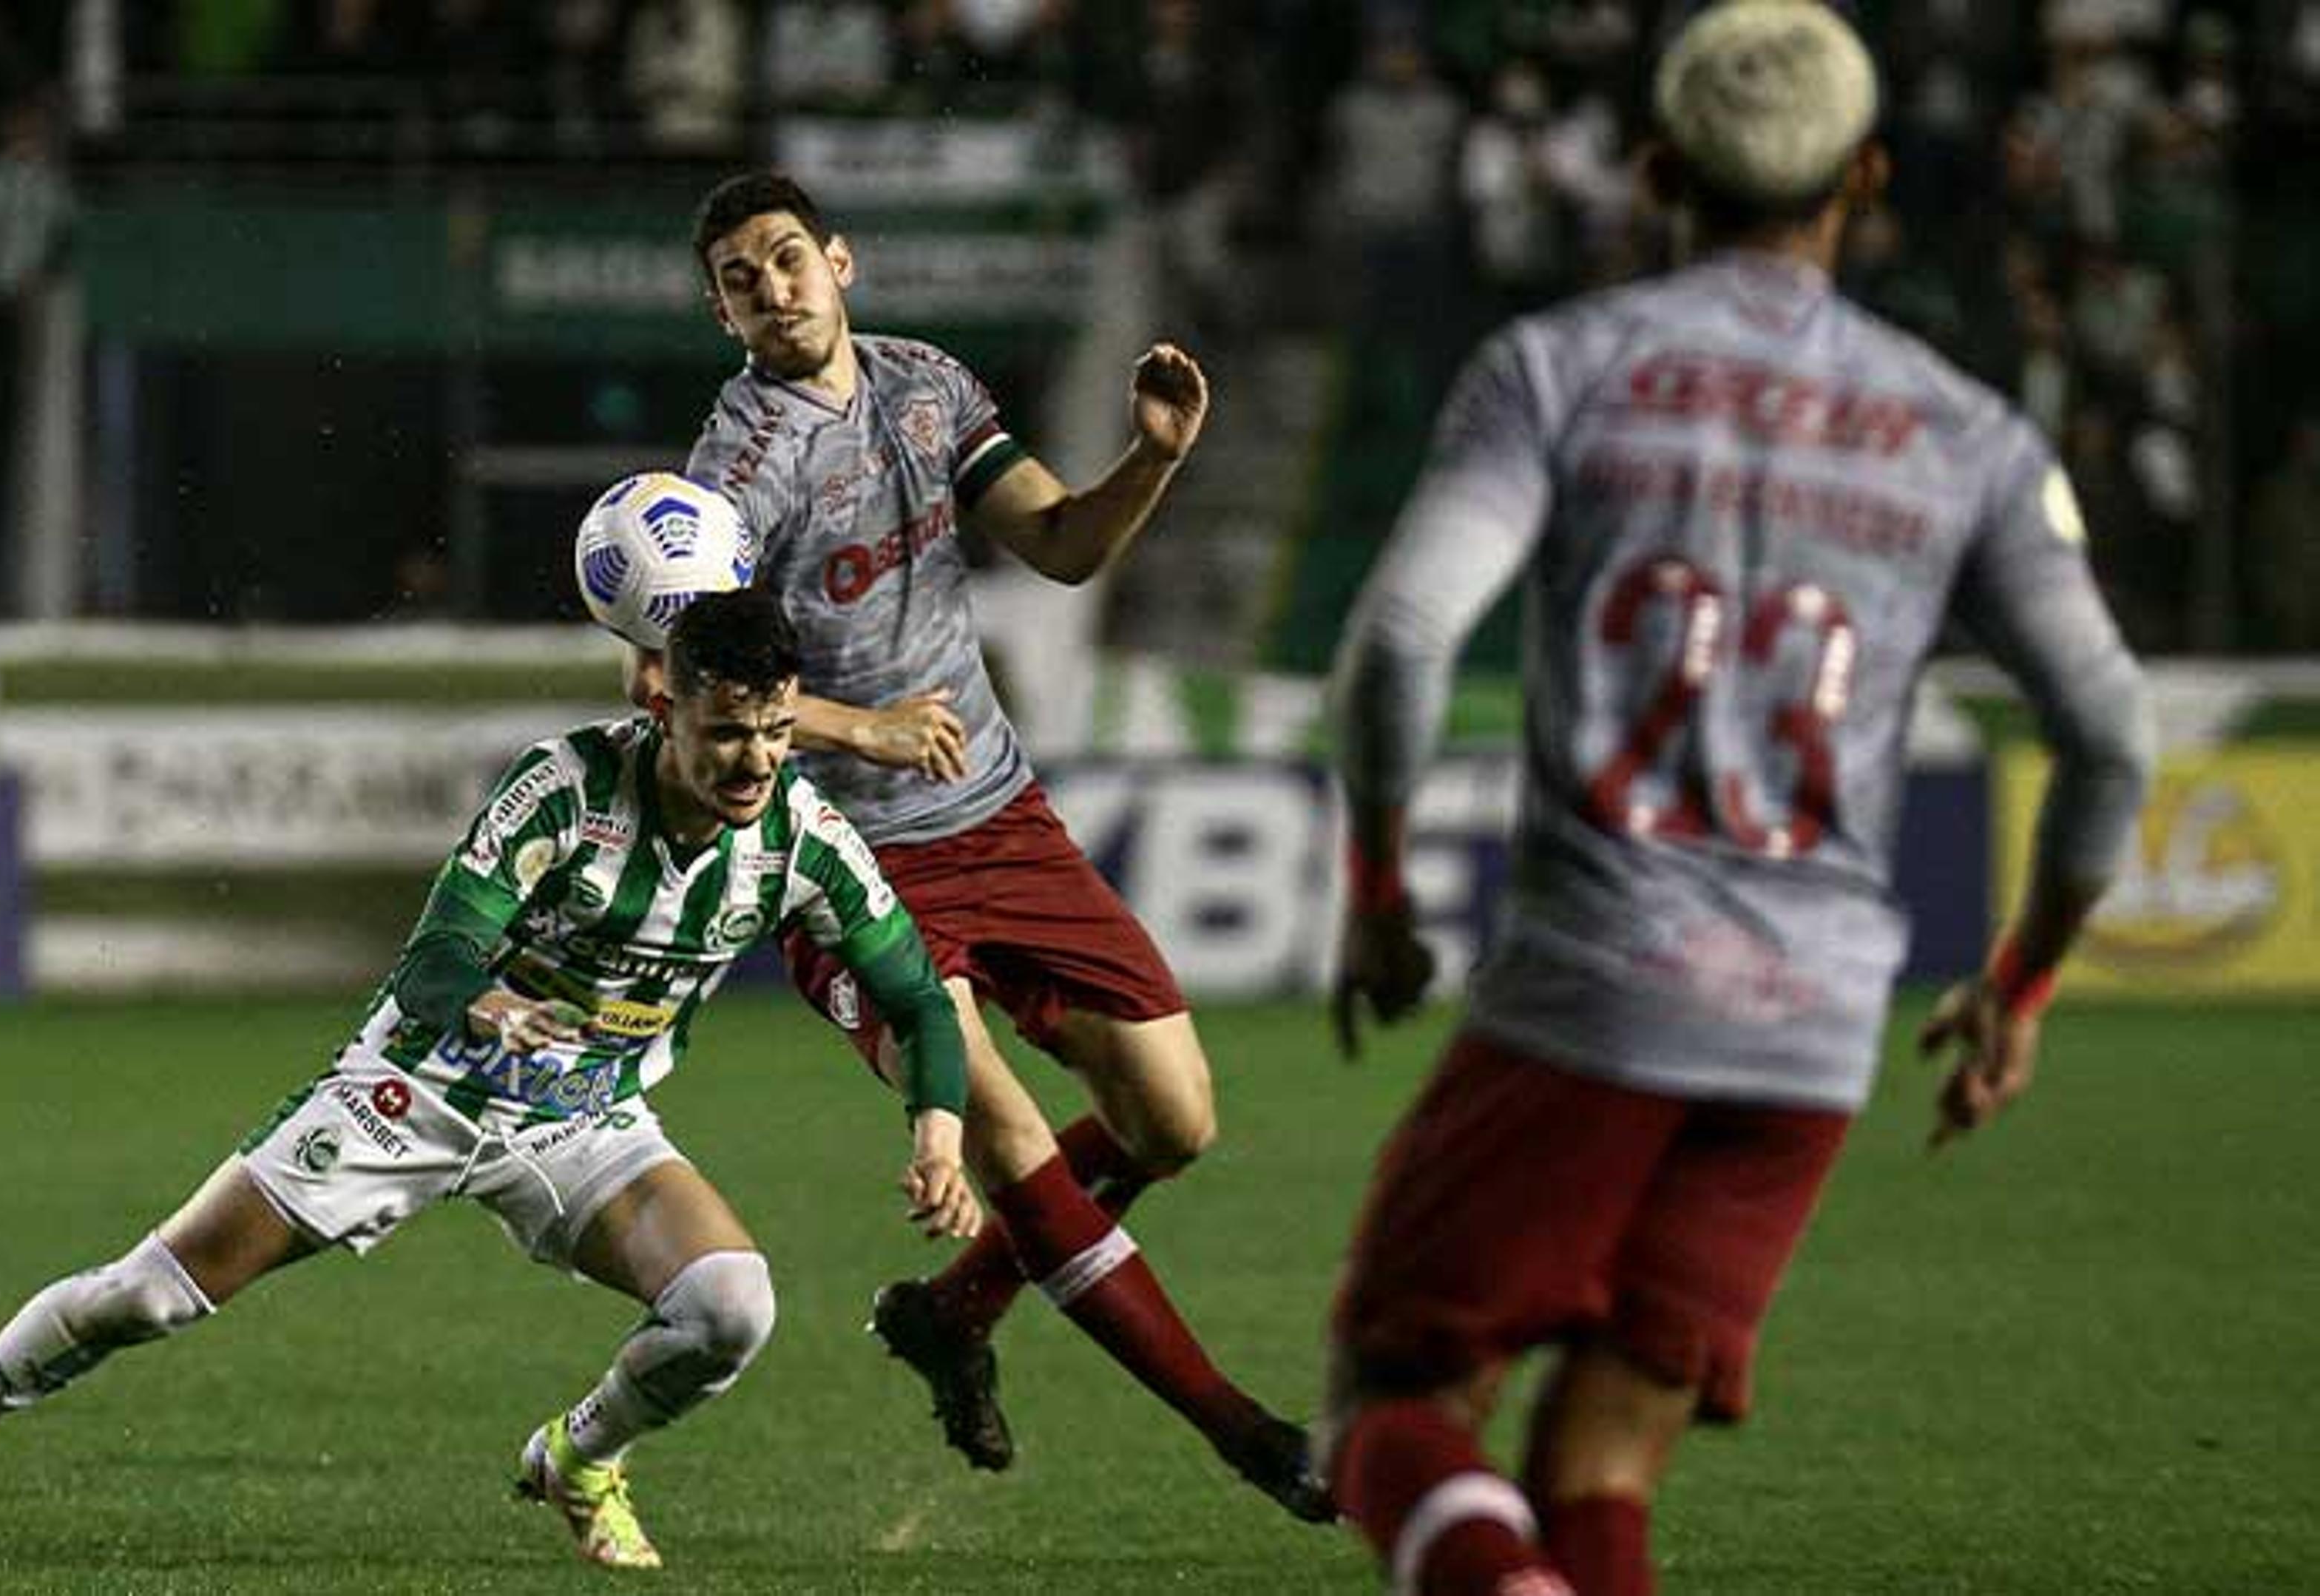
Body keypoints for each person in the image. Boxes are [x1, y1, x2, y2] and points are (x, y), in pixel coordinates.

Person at [1316, 7, 2156, 1595]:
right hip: (1815, 1028)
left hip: (1600, 985)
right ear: (1869, 180)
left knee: (1391, 1399)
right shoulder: (1964, 430)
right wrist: (2022, 982)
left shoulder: (1560, 368)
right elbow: (2110, 730)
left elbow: (1403, 638)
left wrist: (1375, 891)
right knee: (1606, 1455)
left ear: (1652, 173)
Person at [0, 590, 983, 1571]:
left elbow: (919, 994)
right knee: (148, 1297)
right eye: (728, 732)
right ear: (666, 706)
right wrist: (486, 1000)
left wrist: (937, 1127)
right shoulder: (563, 789)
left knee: (732, 1307)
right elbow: (440, 948)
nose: (755, 760)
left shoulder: (802, 839)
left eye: (775, 731)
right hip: (421, 1083)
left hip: (581, 1116)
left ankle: (579, 1458)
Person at [667, 169, 1329, 1519]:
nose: (773, 289)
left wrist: (1151, 458)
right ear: (722, 313)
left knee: (1174, 1119)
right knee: (1011, 1135)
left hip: (1000, 815)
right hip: (844, 860)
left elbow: (1064, 548)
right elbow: (674, 685)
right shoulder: (733, 473)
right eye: (741, 279)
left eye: (788, 258)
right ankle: (1245, 1430)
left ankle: (953, 1315)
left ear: (840, 261)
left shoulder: (927, 386)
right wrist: (859, 729)